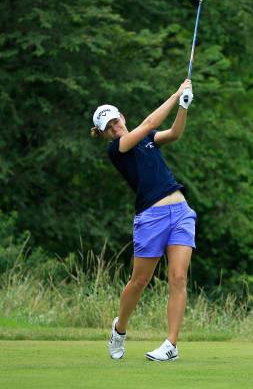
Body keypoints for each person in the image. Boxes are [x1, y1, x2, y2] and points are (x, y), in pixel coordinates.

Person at [90, 79, 196, 362]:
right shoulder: (118, 149)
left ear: (121, 117)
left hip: (181, 212)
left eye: (115, 121)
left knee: (178, 277)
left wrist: (183, 107)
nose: (114, 128)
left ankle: (171, 345)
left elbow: (173, 133)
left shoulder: (146, 139)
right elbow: (149, 123)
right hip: (151, 217)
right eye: (108, 128)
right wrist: (175, 94)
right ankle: (119, 329)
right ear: (104, 134)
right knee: (140, 280)